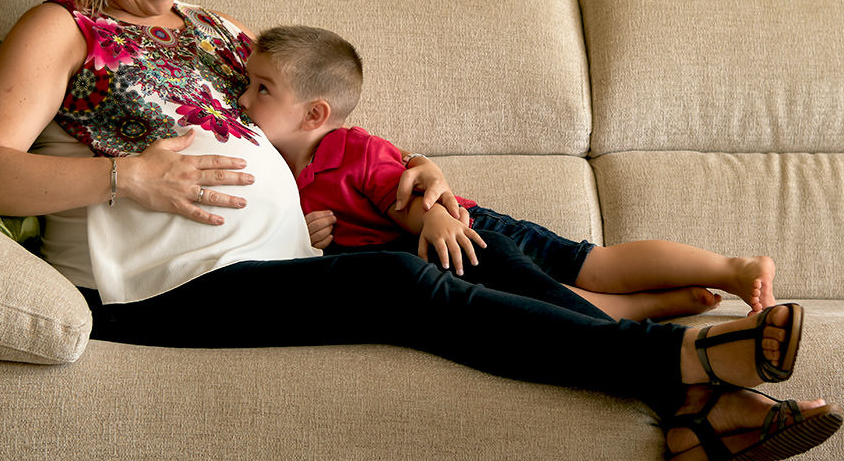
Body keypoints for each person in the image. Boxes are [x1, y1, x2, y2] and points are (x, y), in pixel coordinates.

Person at [0, 0, 842, 461]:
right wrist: (126, 176)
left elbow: (313, 124)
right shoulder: (60, 27)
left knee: (459, 243)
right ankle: (682, 366)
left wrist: (420, 175)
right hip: (160, 286)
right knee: (397, 286)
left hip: (280, 254)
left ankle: (703, 413)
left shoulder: (214, 30)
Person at [239, 24, 774, 322]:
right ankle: (655, 307)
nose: (241, 99)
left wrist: (436, 223)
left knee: (589, 266)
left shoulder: (350, 150)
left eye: (262, 89)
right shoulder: (277, 171)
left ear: (314, 114)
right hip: (431, 263)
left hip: (472, 232)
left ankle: (731, 268)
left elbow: (403, 198)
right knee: (541, 301)